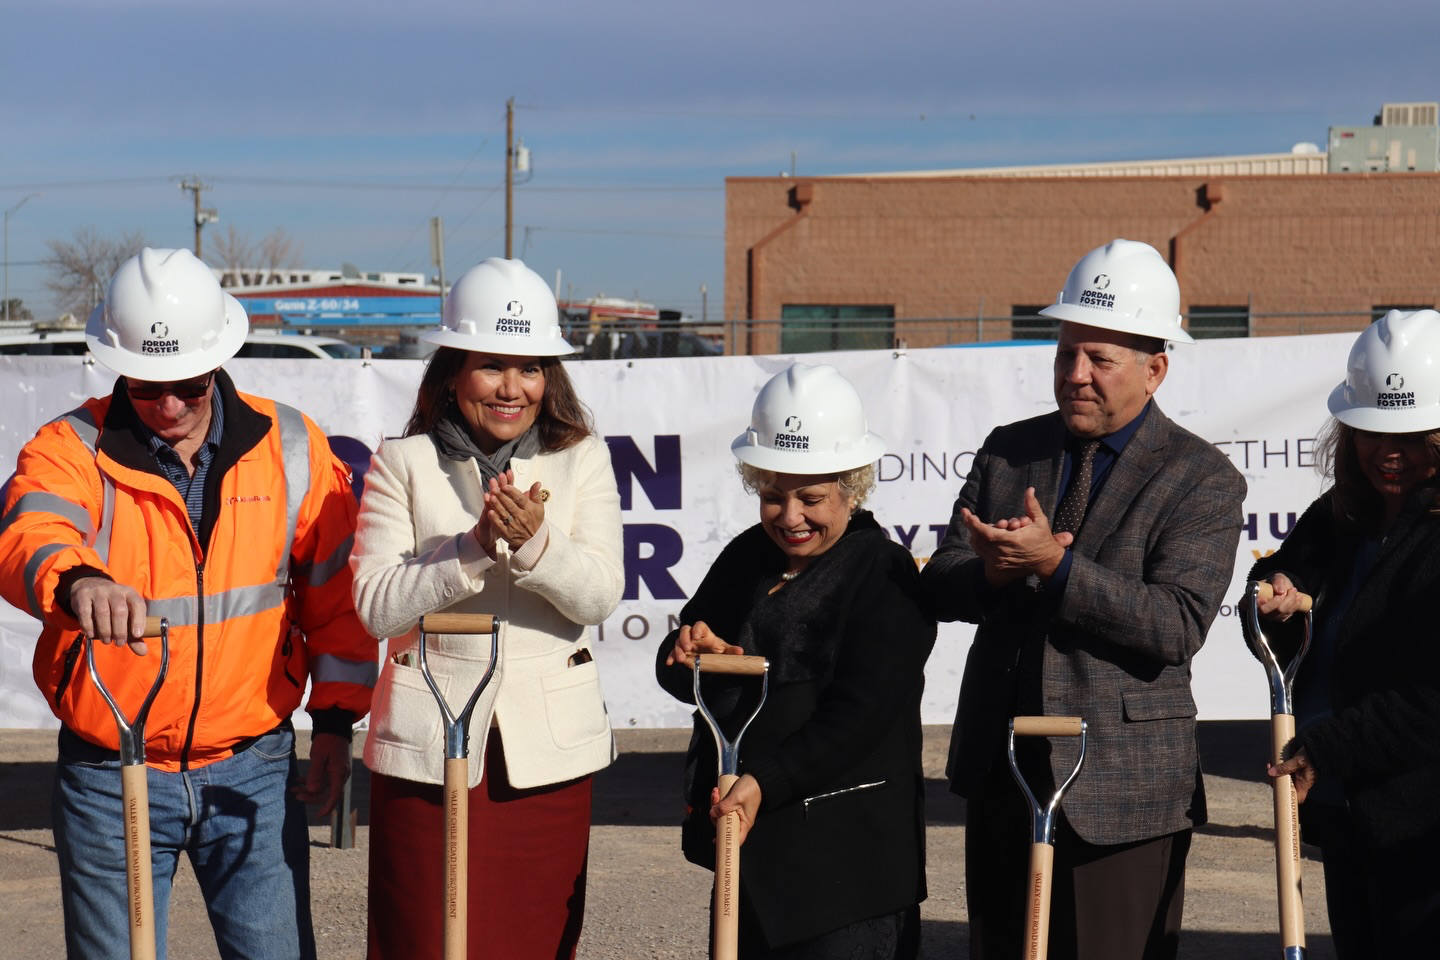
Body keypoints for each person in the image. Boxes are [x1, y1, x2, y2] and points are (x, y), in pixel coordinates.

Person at [0, 247, 376, 960]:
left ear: (217, 362)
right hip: (112, 769)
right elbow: (28, 532)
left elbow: (335, 598)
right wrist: (79, 580)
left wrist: (333, 725)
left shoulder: (291, 445)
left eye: (187, 384)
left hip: (254, 768)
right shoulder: (69, 447)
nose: (168, 405)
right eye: (144, 386)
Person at [922, 239, 1246, 960]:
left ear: (1155, 369)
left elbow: (1176, 623)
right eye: (1066, 354)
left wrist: (1056, 569)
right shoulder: (1009, 449)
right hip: (1004, 769)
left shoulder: (1203, 478)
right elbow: (942, 579)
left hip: (1124, 787)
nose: (1075, 376)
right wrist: (994, 573)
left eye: (1100, 360)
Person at [350, 258, 624, 960]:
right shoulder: (402, 462)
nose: (513, 388)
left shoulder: (583, 458)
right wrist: (474, 548)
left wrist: (536, 547)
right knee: (421, 942)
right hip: (427, 751)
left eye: (530, 368)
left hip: (546, 755)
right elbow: (377, 609)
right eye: (492, 366)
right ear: (451, 373)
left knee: (533, 941)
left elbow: (597, 596)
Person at [656, 362, 935, 959]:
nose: (790, 517)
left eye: (811, 498)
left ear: (852, 488)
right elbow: (684, 671)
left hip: (846, 869)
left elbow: (861, 716)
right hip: (751, 853)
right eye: (773, 496)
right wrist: (687, 653)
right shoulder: (745, 558)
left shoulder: (883, 574)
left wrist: (767, 780)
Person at [1247, 308, 1440, 956]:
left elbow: (1431, 699)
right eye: (1370, 432)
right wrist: (1274, 596)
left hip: (1424, 828)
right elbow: (1282, 580)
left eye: (1413, 437)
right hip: (1348, 809)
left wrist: (1327, 748)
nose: (1388, 453)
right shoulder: (1340, 516)